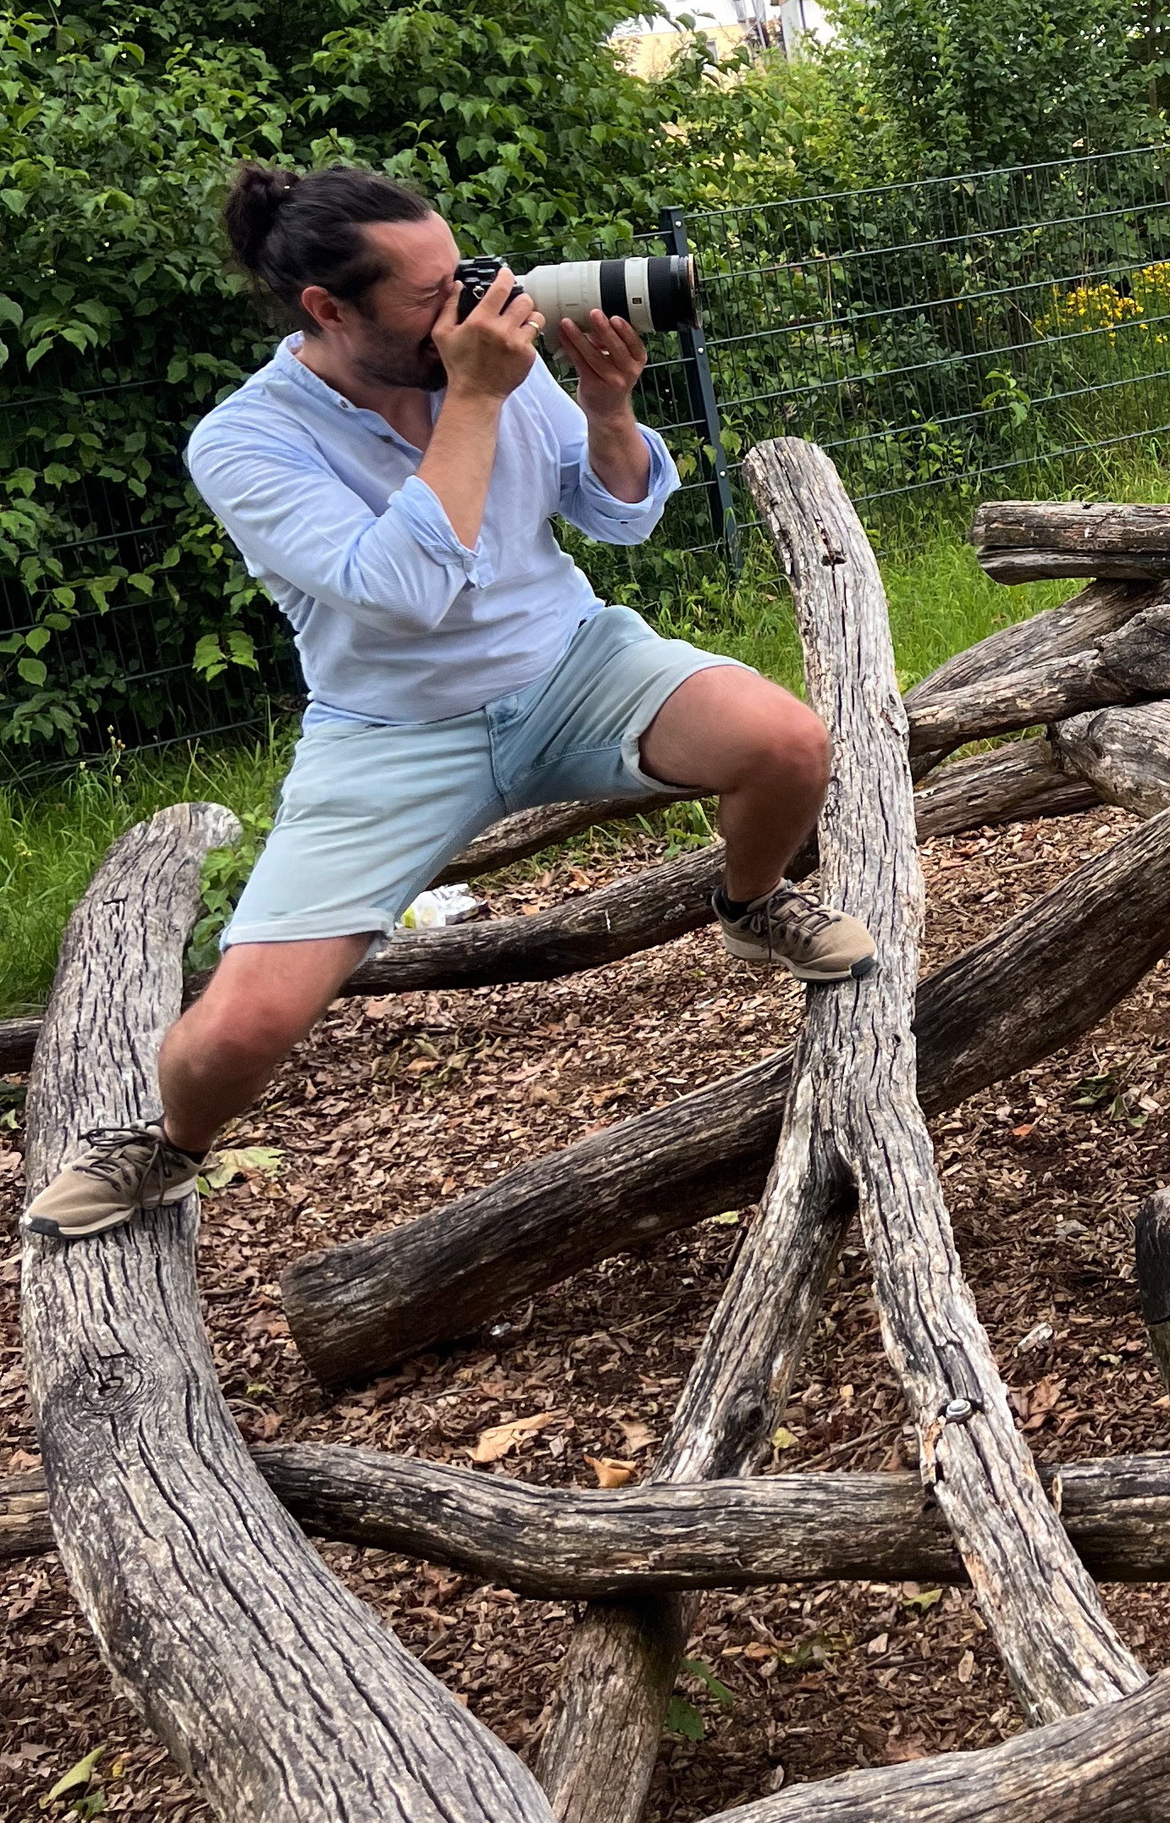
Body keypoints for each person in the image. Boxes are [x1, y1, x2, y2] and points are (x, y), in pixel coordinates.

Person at [24, 164, 873, 1244]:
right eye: (431, 294)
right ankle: (169, 1148)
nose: (474, 301)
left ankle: (751, 909)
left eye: (463, 270)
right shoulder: (246, 440)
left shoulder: (487, 361)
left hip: (569, 664)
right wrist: (473, 397)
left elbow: (617, 518)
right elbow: (404, 592)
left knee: (789, 742)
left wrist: (607, 409)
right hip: (390, 730)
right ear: (330, 310)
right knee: (239, 1031)